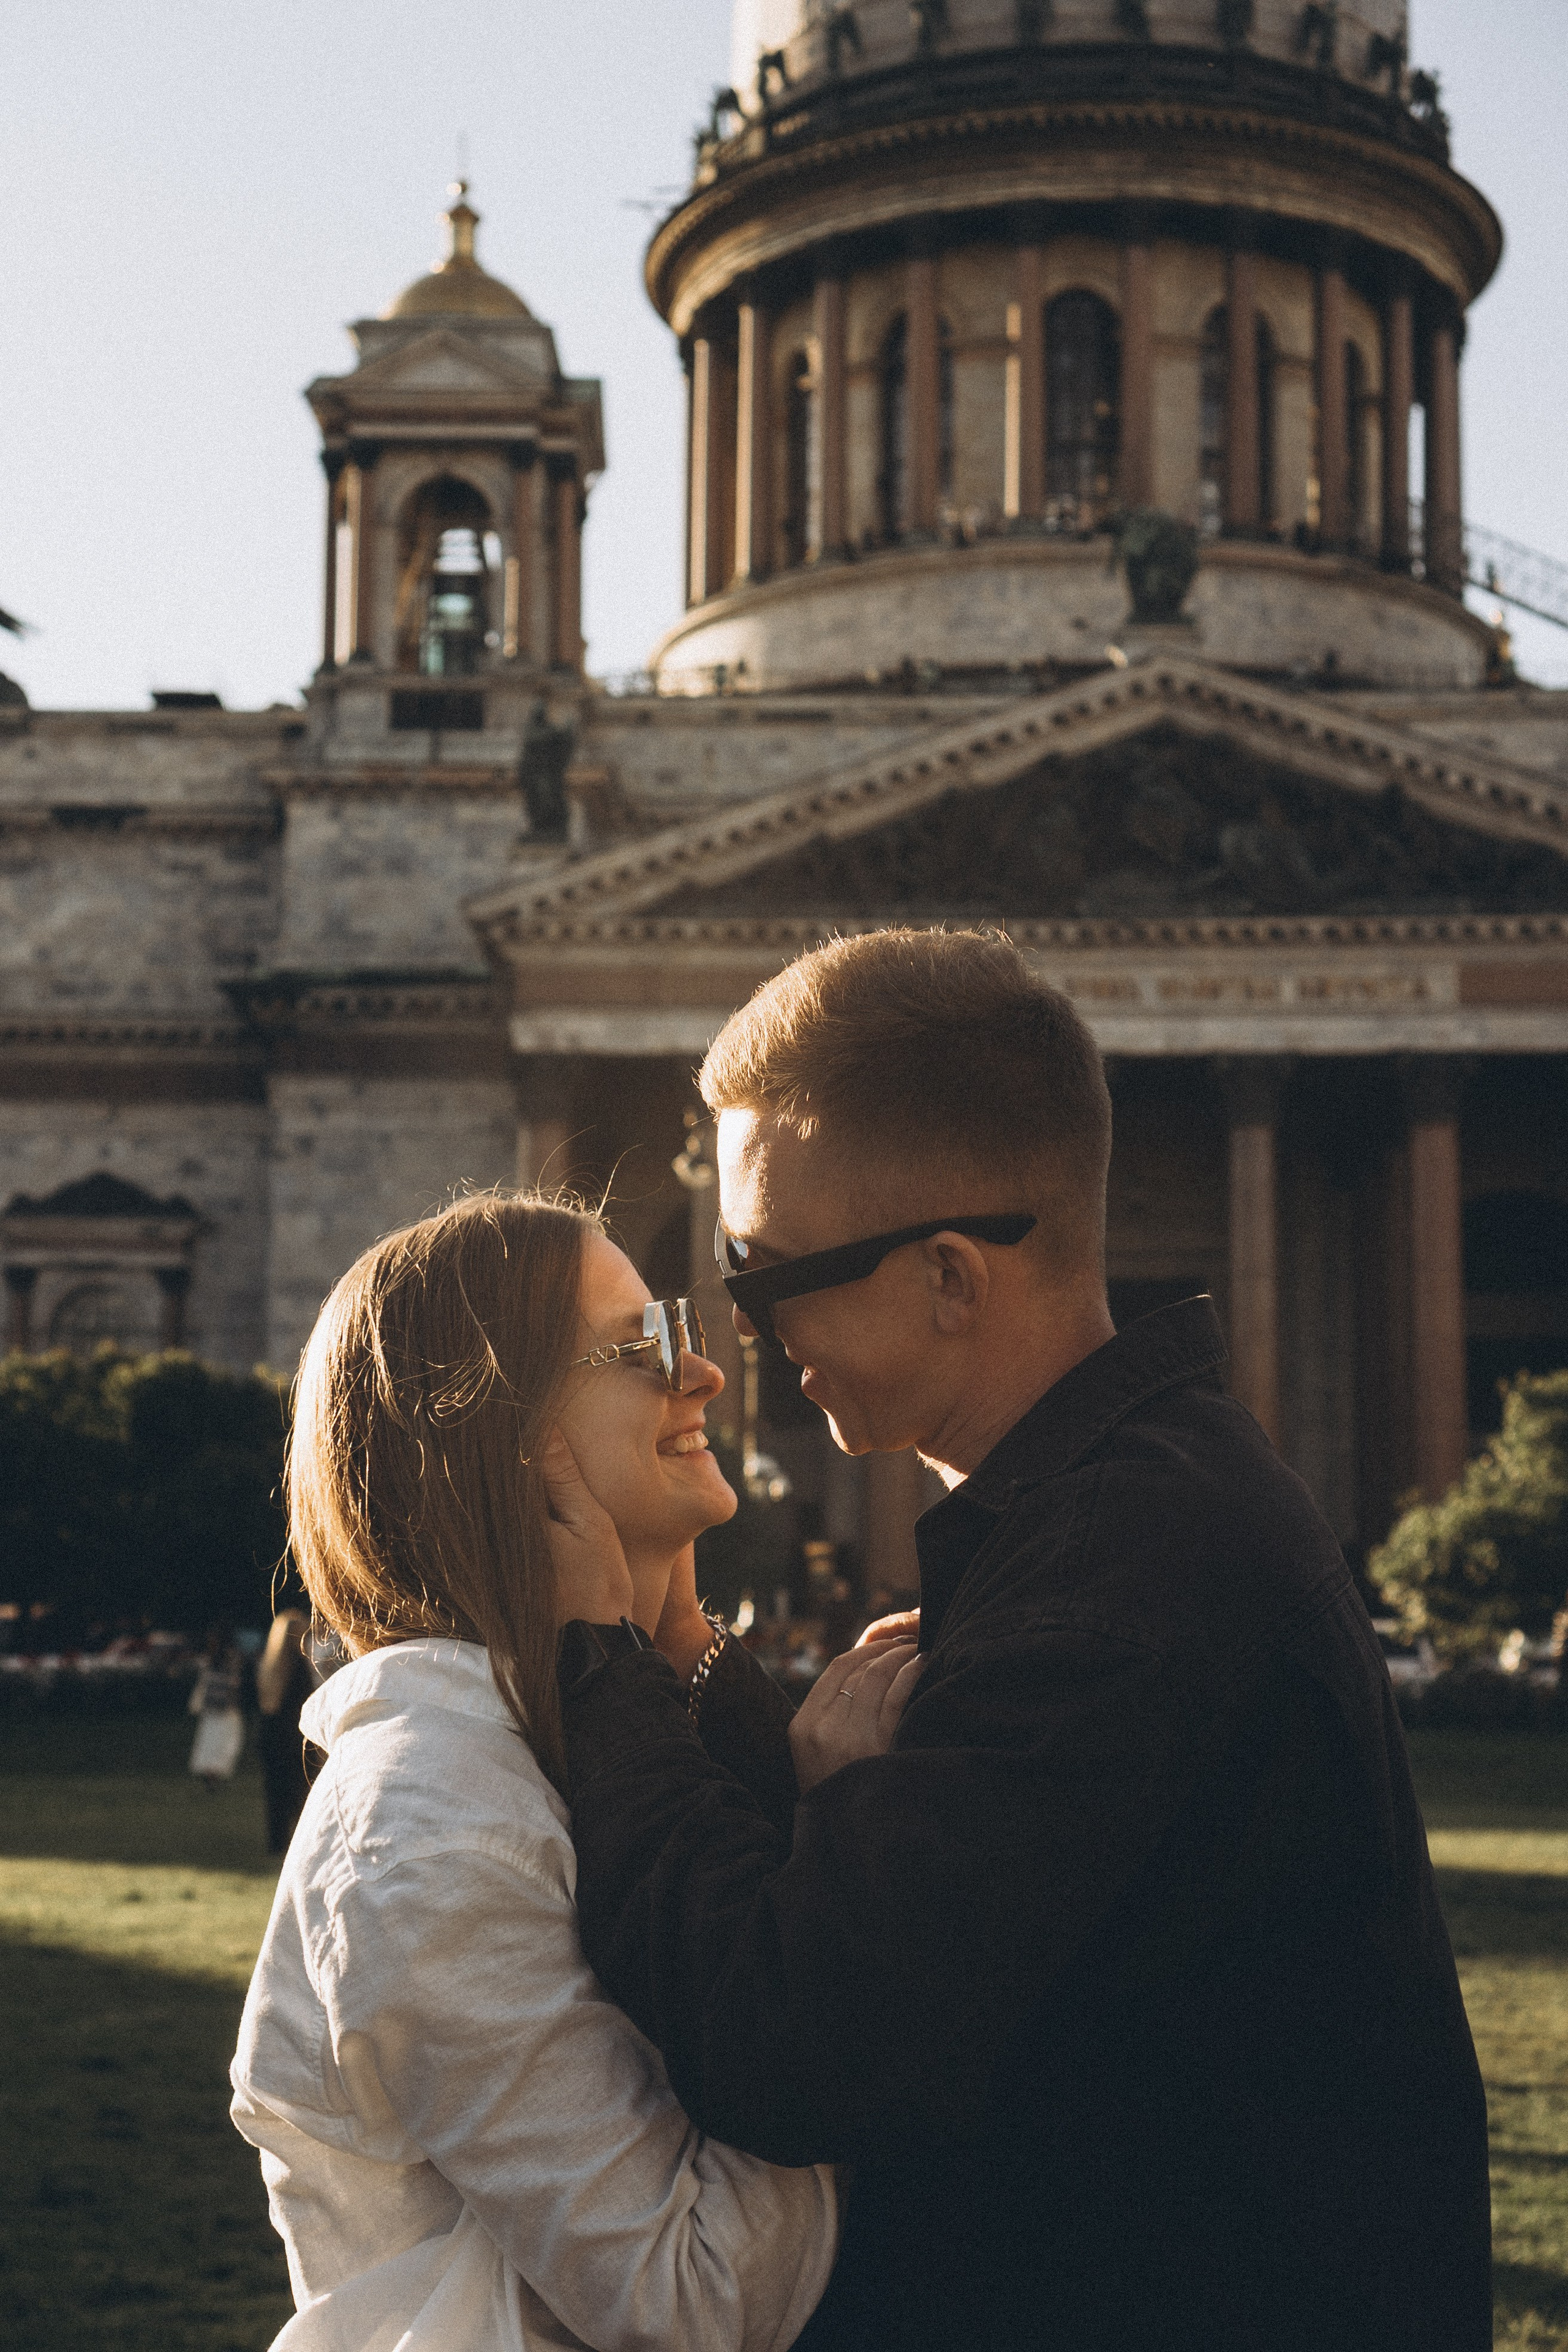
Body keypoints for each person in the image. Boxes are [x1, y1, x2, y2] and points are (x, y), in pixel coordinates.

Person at [554, 928, 1493, 2352]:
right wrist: (699, 1663)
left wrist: (601, 1663)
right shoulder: (1128, 1512)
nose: (740, 1333)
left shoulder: (1110, 1569)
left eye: (766, 1274)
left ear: (946, 1275)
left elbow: (794, 2042)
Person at [230, 1193, 837, 2352]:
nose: (702, 1371)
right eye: (642, 1343)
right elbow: (696, 2300)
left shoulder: (559, 1742)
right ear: (504, 1442)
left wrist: (673, 1640)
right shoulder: (435, 1821)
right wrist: (852, 1893)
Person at [255, 1602, 318, 1855]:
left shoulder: (268, 1667)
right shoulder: (301, 1669)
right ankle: (301, 1846)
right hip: (296, 1739)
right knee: (301, 1795)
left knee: (276, 1794)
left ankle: (277, 1844)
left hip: (270, 1735)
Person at [187, 1621, 245, 1787]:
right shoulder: (231, 1657)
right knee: (226, 1740)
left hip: (212, 1705)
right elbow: (232, 1683)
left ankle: (210, 1773)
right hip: (225, 1706)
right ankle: (214, 1774)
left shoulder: (212, 1657)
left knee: (211, 1739)